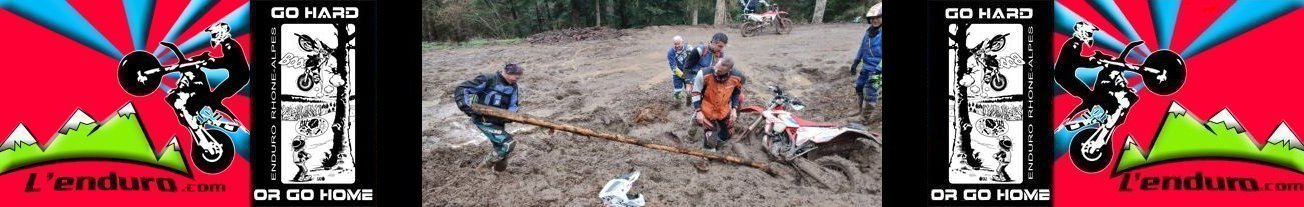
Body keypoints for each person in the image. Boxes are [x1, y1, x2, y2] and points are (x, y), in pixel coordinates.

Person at [454, 63, 524, 172]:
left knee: (502, 153)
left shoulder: (513, 86)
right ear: (506, 72)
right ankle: (481, 170)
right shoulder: (488, 79)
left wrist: (511, 116)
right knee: (507, 143)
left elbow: (513, 104)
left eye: (519, 77)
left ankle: (499, 175)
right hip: (484, 119)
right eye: (516, 76)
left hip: (499, 121)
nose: (517, 79)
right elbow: (462, 89)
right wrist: (466, 106)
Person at [692, 57, 744, 170]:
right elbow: (695, 93)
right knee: (710, 136)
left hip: (723, 109)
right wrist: (699, 111)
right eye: (716, 67)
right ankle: (706, 156)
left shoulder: (738, 77)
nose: (716, 71)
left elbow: (737, 93)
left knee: (727, 135)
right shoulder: (703, 74)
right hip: (706, 108)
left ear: (729, 70)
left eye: (719, 71)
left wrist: (734, 109)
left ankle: (714, 146)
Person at [851, 3, 883, 122]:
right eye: (872, 18)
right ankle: (860, 110)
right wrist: (856, 62)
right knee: (859, 86)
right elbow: (862, 47)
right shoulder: (869, 32)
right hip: (866, 68)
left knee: (871, 92)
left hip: (878, 71)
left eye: (878, 17)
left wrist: (879, 70)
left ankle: (864, 119)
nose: (875, 20)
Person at [686, 33, 729, 107]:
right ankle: (689, 97)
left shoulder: (720, 54)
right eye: (720, 46)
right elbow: (687, 66)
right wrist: (688, 83)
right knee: (695, 97)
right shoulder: (699, 50)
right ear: (713, 42)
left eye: (723, 47)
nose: (721, 49)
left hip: (708, 77)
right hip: (695, 77)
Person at [667, 35, 689, 100]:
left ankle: (691, 102)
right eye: (675, 44)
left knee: (689, 88)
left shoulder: (688, 48)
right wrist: (682, 76)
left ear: (682, 42)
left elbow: (694, 57)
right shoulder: (671, 52)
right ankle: (677, 104)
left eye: (678, 44)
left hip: (687, 71)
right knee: (678, 90)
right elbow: (673, 66)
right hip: (676, 73)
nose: (677, 46)